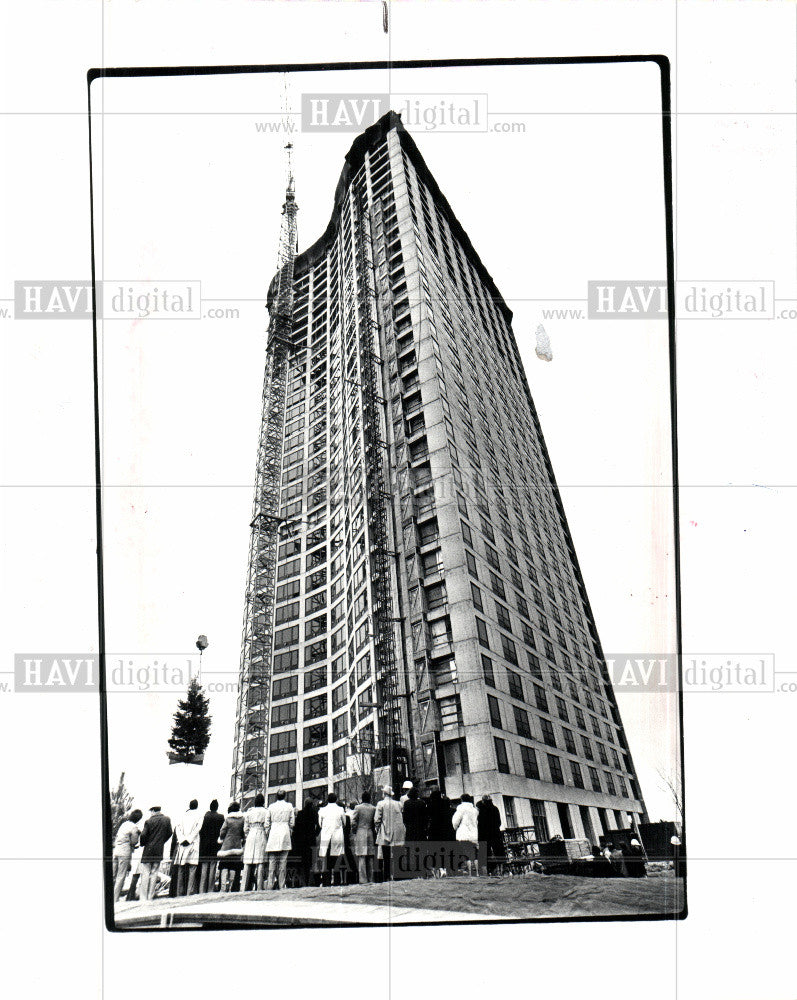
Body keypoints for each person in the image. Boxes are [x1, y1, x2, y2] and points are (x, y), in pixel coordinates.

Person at [138, 805, 173, 901]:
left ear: (153, 811)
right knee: (154, 873)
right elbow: (170, 832)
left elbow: (143, 835)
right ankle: (150, 897)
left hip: (148, 850)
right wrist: (161, 841)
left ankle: (143, 897)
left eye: (151, 811)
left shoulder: (149, 821)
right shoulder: (167, 819)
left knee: (145, 873)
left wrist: (142, 843)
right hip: (159, 850)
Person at [264, 790, 295, 890]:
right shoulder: (289, 806)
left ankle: (270, 885)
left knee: (272, 863)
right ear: (285, 796)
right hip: (285, 833)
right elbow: (292, 822)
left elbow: (267, 823)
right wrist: (289, 830)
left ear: (276, 796)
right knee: (283, 863)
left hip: (274, 833)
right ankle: (282, 885)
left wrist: (268, 833)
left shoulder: (271, 807)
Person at [374, 786, 405, 881]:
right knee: (397, 854)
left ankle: (386, 876)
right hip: (398, 832)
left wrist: (377, 828)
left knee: (386, 856)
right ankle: (397, 875)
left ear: (384, 794)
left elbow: (377, 819)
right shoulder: (398, 804)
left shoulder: (381, 804)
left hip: (385, 831)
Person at [112, 809, 143, 902]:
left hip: (116, 850)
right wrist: (138, 834)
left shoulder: (124, 824)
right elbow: (134, 841)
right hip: (124, 851)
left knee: (113, 875)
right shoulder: (134, 827)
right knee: (120, 876)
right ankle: (115, 898)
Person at [174, 799, 203, 895]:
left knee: (181, 868)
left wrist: (182, 839)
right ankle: (189, 892)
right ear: (197, 806)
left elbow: (177, 828)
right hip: (193, 843)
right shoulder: (199, 815)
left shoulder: (183, 815)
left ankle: (179, 892)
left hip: (183, 844)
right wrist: (189, 839)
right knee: (192, 868)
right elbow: (198, 828)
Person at [317, 792, 347, 886]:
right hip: (337, 835)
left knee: (326, 860)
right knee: (337, 858)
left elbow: (320, 824)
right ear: (336, 799)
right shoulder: (340, 809)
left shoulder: (322, 810)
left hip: (326, 836)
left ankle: (326, 881)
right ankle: (337, 881)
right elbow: (344, 823)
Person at [217, 802, 245, 893]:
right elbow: (243, 833)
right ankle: (231, 888)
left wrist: (222, 838)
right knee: (233, 867)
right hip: (237, 846)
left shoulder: (228, 819)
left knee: (224, 867)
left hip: (226, 847)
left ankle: (223, 888)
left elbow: (222, 831)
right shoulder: (242, 819)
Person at [242, 793, 268, 891]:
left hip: (251, 835)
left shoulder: (249, 812)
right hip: (261, 834)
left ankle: (243, 887)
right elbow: (267, 826)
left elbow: (245, 828)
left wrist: (247, 835)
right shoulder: (266, 811)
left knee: (248, 862)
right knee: (260, 862)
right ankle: (259, 888)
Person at [198, 799, 224, 894]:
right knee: (212, 868)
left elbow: (201, 832)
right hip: (214, 846)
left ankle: (201, 890)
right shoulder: (221, 817)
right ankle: (210, 889)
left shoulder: (205, 817)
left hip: (205, 846)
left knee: (204, 869)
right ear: (217, 807)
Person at [351, 790, 377, 884]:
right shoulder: (373, 808)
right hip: (370, 832)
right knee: (370, 857)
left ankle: (363, 879)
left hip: (360, 832)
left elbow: (354, 821)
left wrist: (354, 831)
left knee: (361, 856)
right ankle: (371, 878)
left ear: (362, 798)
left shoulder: (357, 808)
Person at [293, 798, 320, 887]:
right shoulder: (314, 813)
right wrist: (315, 834)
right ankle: (311, 881)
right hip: (311, 839)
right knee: (312, 861)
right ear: (312, 804)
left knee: (303, 862)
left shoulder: (300, 813)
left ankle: (304, 882)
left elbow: (296, 828)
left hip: (302, 841)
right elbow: (318, 826)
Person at [452, 794, 479, 874]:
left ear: (462, 800)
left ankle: (470, 872)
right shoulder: (474, 810)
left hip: (463, 834)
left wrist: (456, 828)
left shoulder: (460, 809)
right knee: (474, 854)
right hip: (473, 834)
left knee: (466, 855)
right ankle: (477, 872)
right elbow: (476, 822)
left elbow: (455, 822)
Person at [477, 794, 503, 874]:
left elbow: (478, 822)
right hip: (495, 833)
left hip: (483, 834)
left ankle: (488, 871)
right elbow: (499, 822)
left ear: (483, 801)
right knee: (498, 851)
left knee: (485, 852)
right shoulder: (495, 809)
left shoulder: (480, 810)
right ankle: (501, 869)